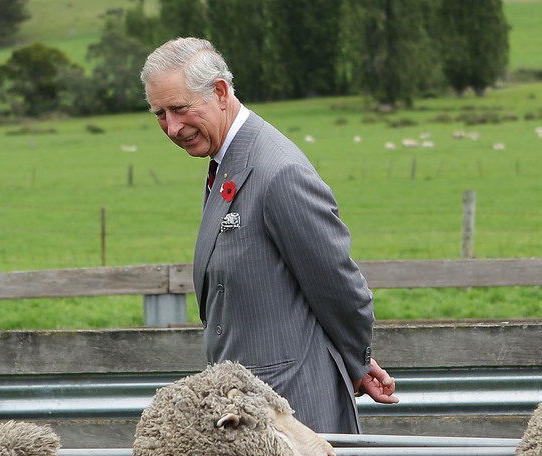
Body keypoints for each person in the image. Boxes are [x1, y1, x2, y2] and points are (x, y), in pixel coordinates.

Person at [141, 37, 398, 434]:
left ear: (221, 92)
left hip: (295, 414)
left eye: (179, 109)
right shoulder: (228, 162)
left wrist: (356, 361)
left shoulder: (277, 172)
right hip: (253, 413)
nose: (172, 127)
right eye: (160, 113)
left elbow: (340, 287)